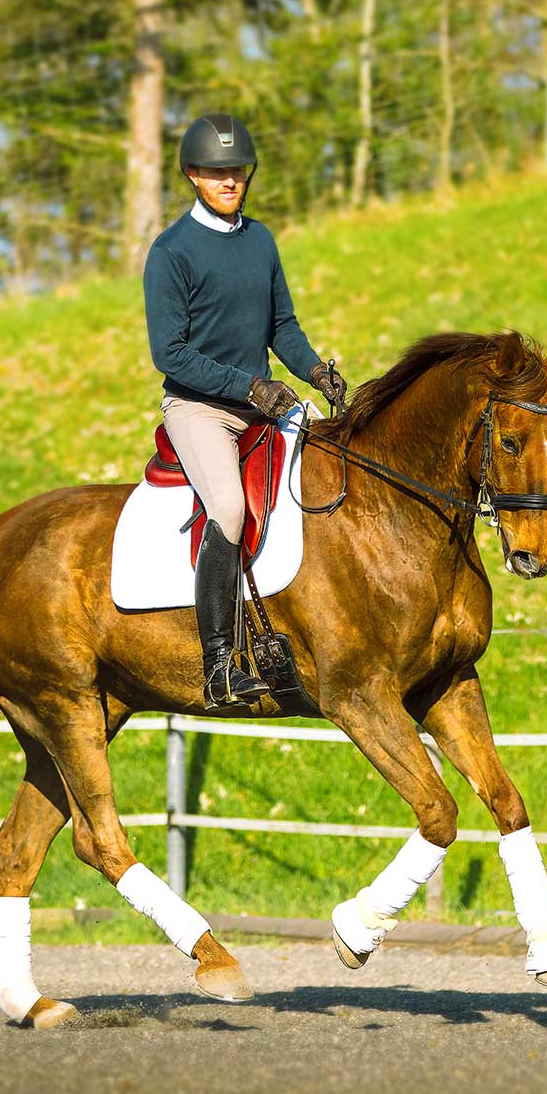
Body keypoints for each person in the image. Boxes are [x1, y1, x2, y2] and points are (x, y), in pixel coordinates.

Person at [143, 113, 346, 706]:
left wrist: (313, 369)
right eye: (216, 172)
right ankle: (219, 664)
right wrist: (249, 387)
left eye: (237, 171)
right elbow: (171, 353)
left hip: (262, 403)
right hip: (201, 410)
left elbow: (282, 325)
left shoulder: (260, 240)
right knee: (229, 509)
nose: (229, 181)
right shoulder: (171, 252)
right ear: (191, 175)